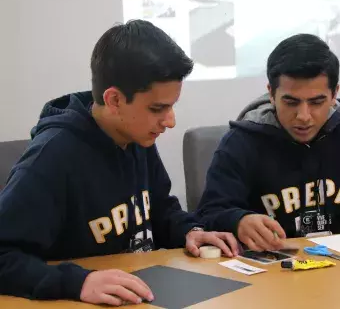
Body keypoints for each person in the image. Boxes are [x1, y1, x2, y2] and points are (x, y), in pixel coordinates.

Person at [0, 20, 239, 306]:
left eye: (172, 106)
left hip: (136, 293)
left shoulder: (138, 137)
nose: (170, 121)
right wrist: (78, 282)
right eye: (157, 109)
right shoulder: (52, 157)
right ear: (114, 99)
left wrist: (190, 231)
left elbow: (158, 209)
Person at [196, 33, 340, 252]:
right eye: (291, 102)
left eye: (316, 102)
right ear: (271, 93)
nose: (303, 116)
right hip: (271, 274)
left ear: (334, 94)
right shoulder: (241, 142)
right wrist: (238, 221)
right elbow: (208, 214)